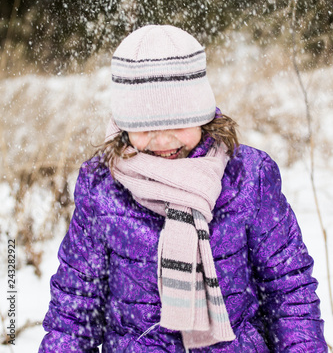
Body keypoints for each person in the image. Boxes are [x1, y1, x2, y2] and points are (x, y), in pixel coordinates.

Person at [39, 25, 327, 352]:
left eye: (178, 122)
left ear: (203, 115)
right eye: (145, 127)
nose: (162, 140)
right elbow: (75, 308)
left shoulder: (248, 177)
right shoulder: (102, 186)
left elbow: (289, 292)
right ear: (123, 124)